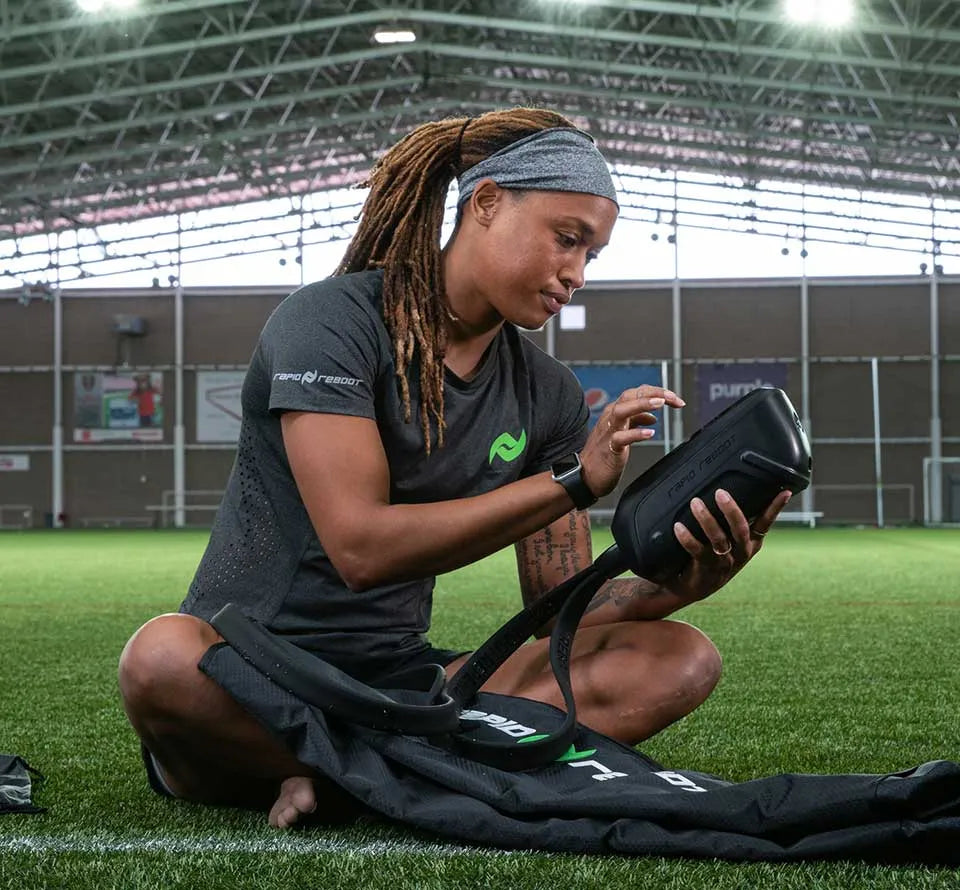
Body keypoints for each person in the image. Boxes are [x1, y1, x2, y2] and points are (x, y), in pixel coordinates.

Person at [118, 107, 789, 829]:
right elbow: (360, 548)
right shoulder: (330, 323)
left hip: (401, 683)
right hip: (250, 668)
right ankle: (399, 769)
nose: (575, 274)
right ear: (487, 202)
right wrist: (572, 481)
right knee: (161, 656)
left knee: (679, 659)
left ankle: (326, 772)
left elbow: (557, 614)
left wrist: (679, 585)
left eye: (591, 256)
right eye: (567, 239)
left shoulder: (549, 395)